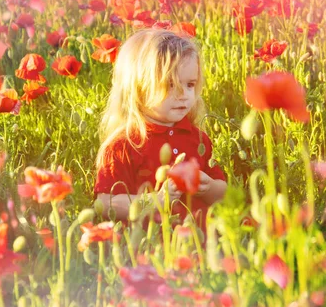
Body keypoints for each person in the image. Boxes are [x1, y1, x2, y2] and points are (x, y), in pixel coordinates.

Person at [93, 28, 227, 230]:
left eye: (190, 84)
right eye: (171, 85)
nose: (183, 95)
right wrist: (154, 200)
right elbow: (104, 204)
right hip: (149, 245)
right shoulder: (124, 145)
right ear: (138, 87)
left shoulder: (197, 139)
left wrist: (207, 187)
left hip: (201, 242)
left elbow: (222, 193)